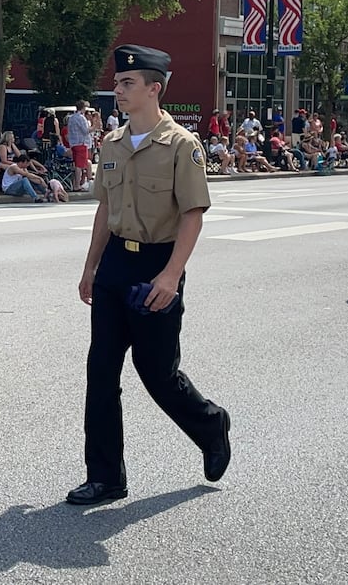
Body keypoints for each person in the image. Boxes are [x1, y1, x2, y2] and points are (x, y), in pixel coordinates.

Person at [68, 43, 230, 507]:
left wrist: (171, 276)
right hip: (116, 263)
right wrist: (90, 266)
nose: (117, 90)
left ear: (153, 88)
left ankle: (211, 423)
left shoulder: (182, 145)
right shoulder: (112, 143)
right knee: (101, 370)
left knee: (157, 373)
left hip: (157, 266)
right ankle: (105, 477)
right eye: (117, 83)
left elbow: (193, 213)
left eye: (127, 84)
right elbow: (105, 209)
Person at [66, 99, 94, 191]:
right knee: (79, 165)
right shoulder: (81, 118)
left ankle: (76, 183)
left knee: (76, 164)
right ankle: (77, 185)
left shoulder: (71, 117)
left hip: (73, 143)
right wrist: (94, 127)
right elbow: (86, 131)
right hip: (81, 143)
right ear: (83, 108)